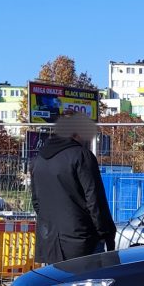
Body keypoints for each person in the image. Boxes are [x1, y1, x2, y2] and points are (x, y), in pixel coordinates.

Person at [31, 111, 116, 265]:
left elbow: (36, 202)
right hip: (81, 240)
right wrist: (106, 232)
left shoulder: (39, 159)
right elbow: (95, 201)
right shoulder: (82, 156)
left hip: (49, 240)